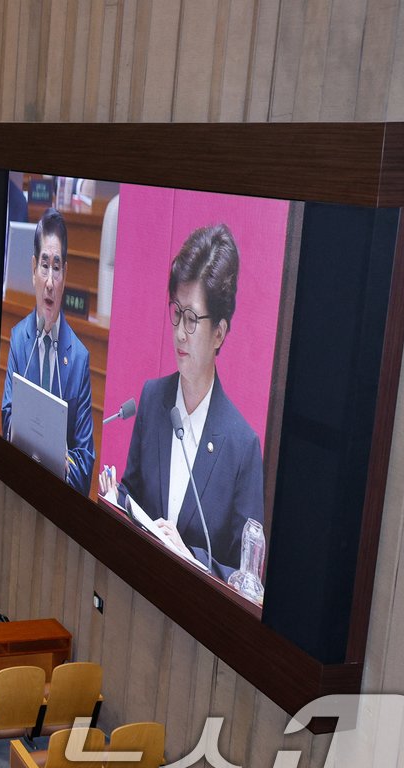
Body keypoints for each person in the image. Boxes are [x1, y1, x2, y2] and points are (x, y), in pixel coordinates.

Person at [99, 224, 264, 582]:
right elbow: (135, 493)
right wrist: (116, 499)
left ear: (219, 332)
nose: (178, 333)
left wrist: (189, 557)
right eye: (176, 313)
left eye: (191, 319)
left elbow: (245, 579)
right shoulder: (152, 399)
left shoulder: (242, 447)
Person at [0, 208, 95, 495]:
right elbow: (7, 418)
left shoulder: (78, 358)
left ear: (65, 273)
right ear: (33, 269)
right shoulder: (19, 340)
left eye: (56, 267)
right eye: (44, 266)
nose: (50, 281)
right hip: (19, 488)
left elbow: (86, 458)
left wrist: (59, 462)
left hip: (58, 498)